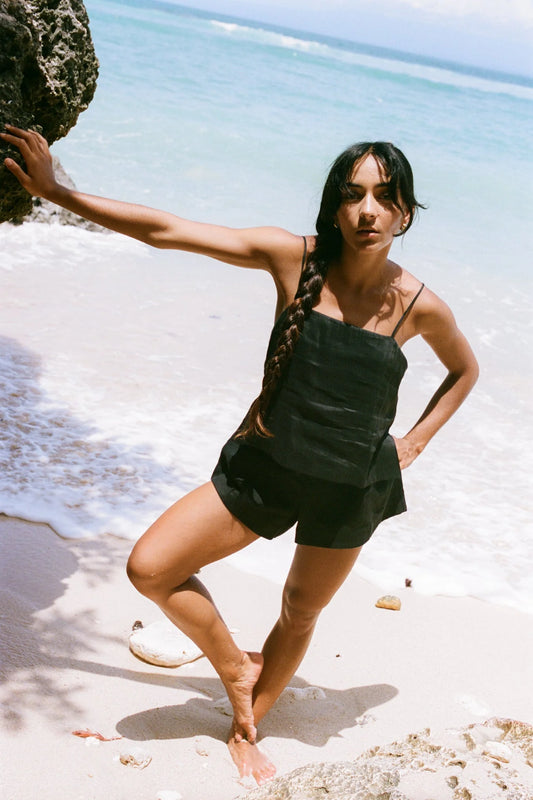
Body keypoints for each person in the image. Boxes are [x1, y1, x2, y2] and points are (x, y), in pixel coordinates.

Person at [2, 125, 479, 785]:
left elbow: (463, 372)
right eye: (352, 195)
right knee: (152, 567)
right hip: (265, 467)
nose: (367, 210)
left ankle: (246, 725)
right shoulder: (292, 259)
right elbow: (167, 230)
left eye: (384, 197)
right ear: (334, 205)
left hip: (348, 487)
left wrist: (415, 441)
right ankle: (233, 664)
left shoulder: (417, 306)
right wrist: (60, 193)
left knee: (300, 610)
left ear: (403, 211)